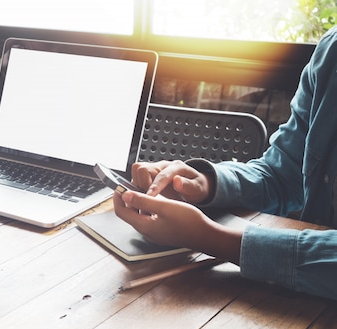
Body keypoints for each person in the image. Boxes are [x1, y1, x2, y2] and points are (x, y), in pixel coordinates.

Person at [114, 26, 337, 301]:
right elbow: (281, 176)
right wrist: (204, 183)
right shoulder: (331, 52)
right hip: (294, 302)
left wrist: (209, 238)